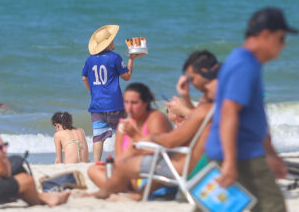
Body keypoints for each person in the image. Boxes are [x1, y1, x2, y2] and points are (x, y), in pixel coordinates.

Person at [167, 8, 299, 212]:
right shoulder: (245, 65)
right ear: (265, 35)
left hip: (238, 150)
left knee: (203, 211)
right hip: (240, 153)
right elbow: (229, 112)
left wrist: (272, 154)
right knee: (272, 209)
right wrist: (231, 162)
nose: (283, 46)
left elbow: (253, 117)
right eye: (281, 38)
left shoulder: (242, 61)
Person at [91, 51, 219, 200]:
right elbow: (199, 122)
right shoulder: (211, 107)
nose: (192, 83)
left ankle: (104, 194)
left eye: (192, 78)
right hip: (185, 163)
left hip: (179, 167)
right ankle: (134, 194)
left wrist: (145, 137)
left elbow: (171, 142)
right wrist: (186, 99)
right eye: (126, 102)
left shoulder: (157, 117)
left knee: (127, 165)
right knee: (106, 168)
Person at [85, 82, 171, 190]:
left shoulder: (155, 118)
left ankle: (121, 188)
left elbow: (159, 153)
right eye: (126, 102)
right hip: (129, 174)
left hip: (152, 173)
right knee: (94, 170)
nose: (129, 108)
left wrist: (134, 135)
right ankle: (123, 187)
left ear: (145, 103)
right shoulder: (124, 124)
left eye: (134, 103)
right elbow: (119, 158)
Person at [81, 24, 139, 162]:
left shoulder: (90, 59)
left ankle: (96, 162)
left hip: (97, 105)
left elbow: (84, 78)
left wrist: (92, 91)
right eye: (112, 40)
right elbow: (127, 76)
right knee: (122, 133)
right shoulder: (115, 57)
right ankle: (122, 159)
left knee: (98, 137)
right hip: (115, 104)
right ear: (108, 43)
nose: (113, 42)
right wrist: (131, 59)